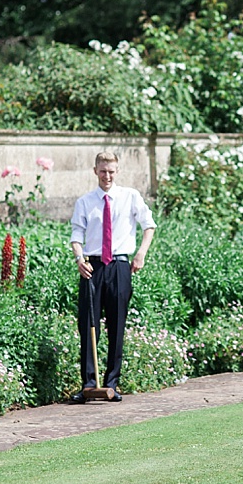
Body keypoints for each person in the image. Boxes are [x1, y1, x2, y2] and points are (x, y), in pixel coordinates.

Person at [69, 151, 156, 403]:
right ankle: (88, 384)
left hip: (119, 266)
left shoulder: (130, 197)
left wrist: (141, 253)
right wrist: (79, 259)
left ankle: (112, 383)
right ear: (95, 171)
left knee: (116, 325)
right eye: (103, 171)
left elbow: (148, 225)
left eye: (111, 171)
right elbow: (76, 236)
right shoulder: (85, 202)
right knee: (87, 325)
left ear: (117, 172)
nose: (107, 176)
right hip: (92, 267)